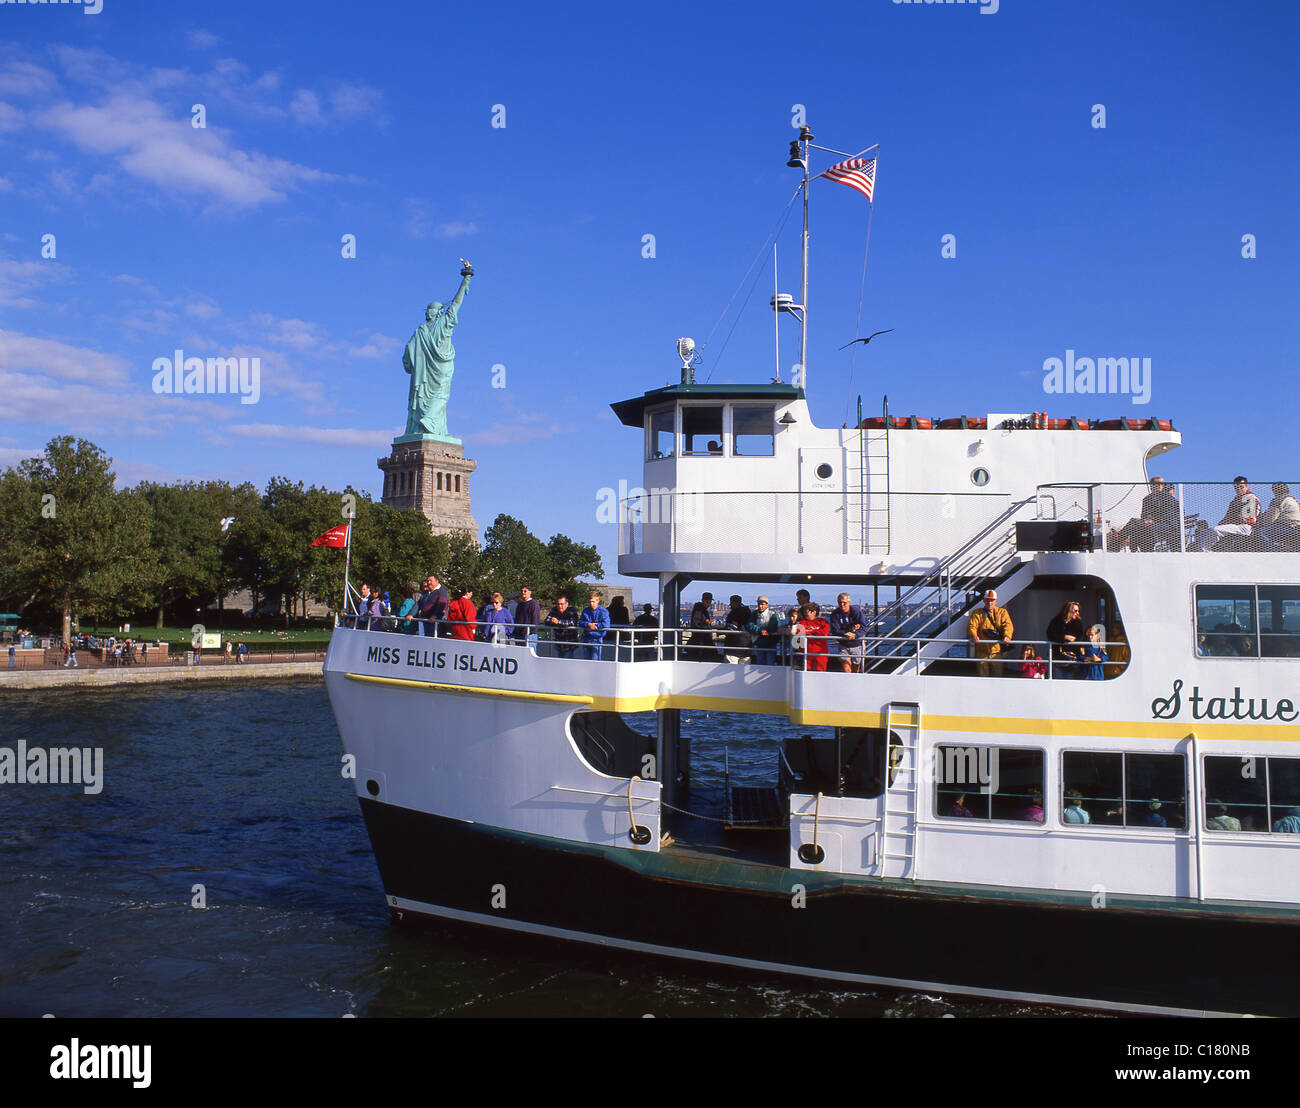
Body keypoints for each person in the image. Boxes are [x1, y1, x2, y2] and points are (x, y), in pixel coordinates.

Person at [1112, 476, 1179, 551]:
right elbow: (1143, 514)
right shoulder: (1147, 499)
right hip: (1151, 523)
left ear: (1162, 486)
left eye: (1158, 485)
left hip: (1167, 525)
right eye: (1153, 486)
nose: (1155, 487)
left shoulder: (1167, 497)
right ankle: (1132, 551)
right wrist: (1146, 520)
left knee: (1136, 524)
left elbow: (1168, 514)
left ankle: (1117, 541)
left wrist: (1153, 521)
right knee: (1135, 526)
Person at [1197, 476, 1262, 550]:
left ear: (1246, 486)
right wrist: (1221, 523)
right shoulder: (1235, 501)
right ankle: (1196, 551)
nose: (1239, 489)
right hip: (1235, 526)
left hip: (1246, 527)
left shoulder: (1251, 497)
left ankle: (1205, 552)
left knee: (1215, 531)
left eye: (1241, 487)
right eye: (1236, 487)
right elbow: (1227, 517)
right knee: (1204, 532)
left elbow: (1246, 518)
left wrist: (1227, 522)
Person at [967, 589, 1013, 677]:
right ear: (984, 600)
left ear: (996, 601)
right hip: (981, 650)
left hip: (997, 651)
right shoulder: (977, 613)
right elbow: (972, 626)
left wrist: (1007, 636)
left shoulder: (1002, 612)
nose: (989, 602)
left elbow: (1008, 625)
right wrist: (974, 635)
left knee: (998, 675)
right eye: (987, 600)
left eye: (992, 600)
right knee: (983, 676)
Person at [828, 593, 866, 673]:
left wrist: (855, 634)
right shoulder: (835, 614)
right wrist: (848, 632)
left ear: (849, 602)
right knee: (847, 670)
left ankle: (854, 684)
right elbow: (835, 630)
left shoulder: (856, 611)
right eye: (840, 602)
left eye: (844, 602)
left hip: (857, 644)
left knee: (856, 670)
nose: (842, 605)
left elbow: (863, 627)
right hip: (843, 645)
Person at [1046, 600, 1085, 678]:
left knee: (1069, 683)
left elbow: (1079, 637)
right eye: (1076, 611)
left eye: (1078, 611)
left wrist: (1072, 639)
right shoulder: (1056, 620)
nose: (1078, 613)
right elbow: (1050, 634)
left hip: (1072, 659)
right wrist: (1064, 637)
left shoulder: (1078, 622)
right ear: (1069, 610)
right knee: (1057, 682)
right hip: (1058, 657)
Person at [1258, 482, 1300, 550]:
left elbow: (1270, 519)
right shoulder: (1294, 500)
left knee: (1260, 532)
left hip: (1288, 527)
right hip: (1297, 528)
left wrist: (1260, 522)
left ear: (1274, 491)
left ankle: (1271, 552)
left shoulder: (1278, 500)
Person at [794, 603, 830, 672]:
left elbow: (824, 633)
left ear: (814, 612)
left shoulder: (823, 622)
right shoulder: (802, 622)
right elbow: (799, 632)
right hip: (806, 655)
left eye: (806, 612)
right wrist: (816, 632)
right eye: (804, 612)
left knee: (820, 674)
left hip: (820, 655)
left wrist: (811, 632)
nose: (804, 614)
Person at [748, 597, 780, 666]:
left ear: (767, 605)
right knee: (760, 663)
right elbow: (749, 625)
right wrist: (760, 630)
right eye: (759, 604)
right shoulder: (754, 614)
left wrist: (766, 631)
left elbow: (776, 625)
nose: (760, 606)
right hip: (759, 643)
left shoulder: (772, 614)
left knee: (770, 663)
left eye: (762, 604)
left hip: (770, 642)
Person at [721, 595, 752, 663]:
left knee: (729, 669)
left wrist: (722, 632)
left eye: (731, 604)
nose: (730, 606)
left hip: (733, 648)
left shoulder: (733, 613)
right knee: (743, 671)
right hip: (746, 647)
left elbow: (731, 629)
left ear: (734, 603)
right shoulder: (748, 612)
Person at [579, 592, 610, 660]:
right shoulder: (585, 611)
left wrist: (595, 626)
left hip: (597, 638)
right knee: (586, 660)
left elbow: (606, 624)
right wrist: (588, 624)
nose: (591, 603)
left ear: (598, 601)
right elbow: (580, 622)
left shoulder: (603, 611)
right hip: (586, 638)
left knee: (595, 660)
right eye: (590, 602)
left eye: (593, 601)